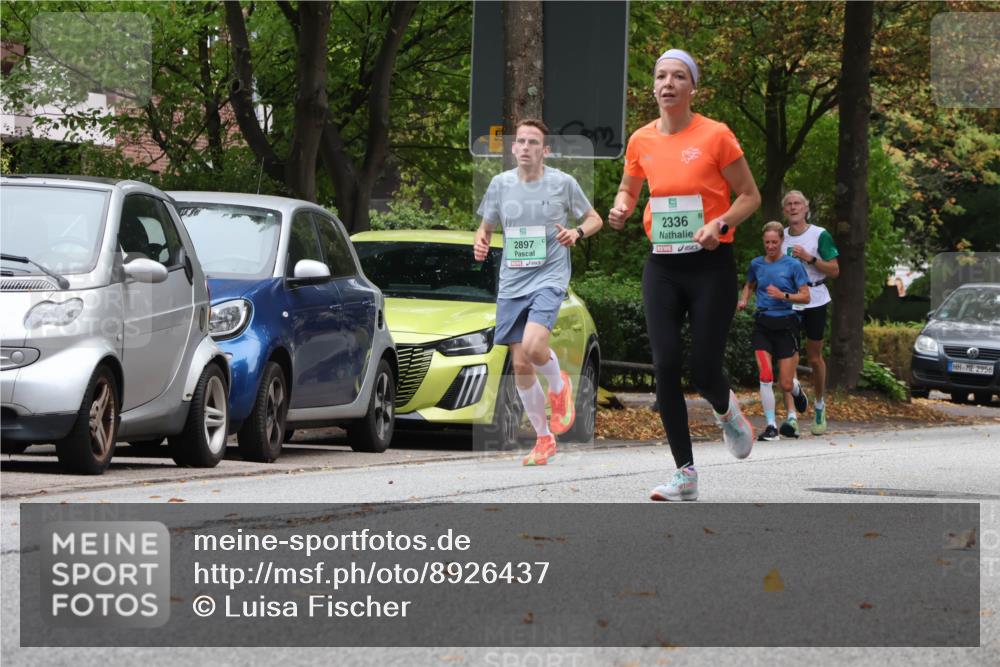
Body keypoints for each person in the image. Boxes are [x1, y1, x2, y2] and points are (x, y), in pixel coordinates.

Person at [608, 48, 761, 501]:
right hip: (663, 265)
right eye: (661, 76)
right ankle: (685, 474)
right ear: (653, 87)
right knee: (666, 363)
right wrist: (621, 207)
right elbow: (628, 188)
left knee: (704, 369)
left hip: (711, 266)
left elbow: (749, 195)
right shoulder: (641, 141)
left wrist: (721, 224)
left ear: (693, 87)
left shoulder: (715, 135)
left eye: (678, 76)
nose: (668, 83)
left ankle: (726, 409)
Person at [474, 118, 603, 466]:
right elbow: (485, 226)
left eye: (534, 142)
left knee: (533, 347)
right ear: (513, 148)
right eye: (522, 142)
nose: (527, 147)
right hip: (512, 284)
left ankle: (559, 388)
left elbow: (595, 219)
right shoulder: (500, 185)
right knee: (519, 364)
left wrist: (576, 233)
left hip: (549, 278)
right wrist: (481, 241)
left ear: (545, 151)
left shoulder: (563, 183)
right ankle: (544, 438)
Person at [739, 222, 811, 441]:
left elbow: (806, 296)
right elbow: (749, 284)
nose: (770, 246)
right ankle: (771, 426)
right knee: (765, 375)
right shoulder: (756, 264)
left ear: (781, 241)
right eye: (767, 242)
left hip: (786, 324)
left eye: (774, 242)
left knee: (785, 384)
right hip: (763, 323)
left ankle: (797, 390)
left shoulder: (793, 266)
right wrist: (744, 299)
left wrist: (783, 296)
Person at [780, 190, 840, 435]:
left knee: (814, 358)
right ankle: (792, 415)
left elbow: (835, 270)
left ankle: (819, 405)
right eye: (789, 205)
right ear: (785, 210)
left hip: (815, 298)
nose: (794, 208)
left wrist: (810, 258)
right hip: (789, 300)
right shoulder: (780, 237)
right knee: (787, 357)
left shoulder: (819, 235)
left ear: (806, 208)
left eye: (798, 204)